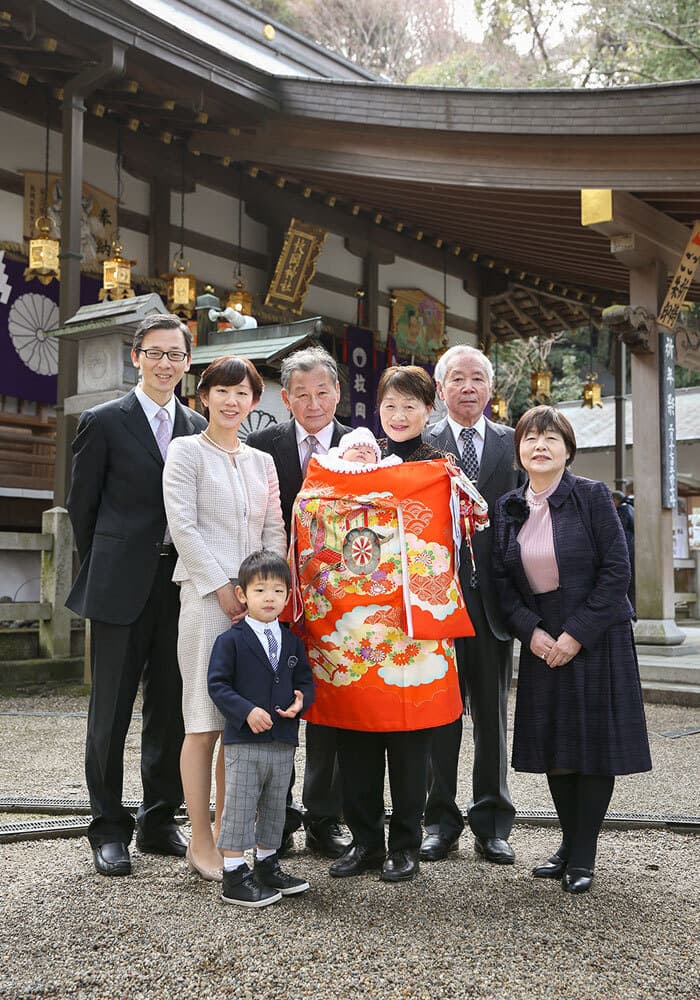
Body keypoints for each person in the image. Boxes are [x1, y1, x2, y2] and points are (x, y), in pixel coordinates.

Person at [293, 365, 487, 883]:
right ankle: (364, 842)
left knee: (409, 741)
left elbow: (463, 531)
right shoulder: (358, 459)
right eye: (390, 407)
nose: (398, 416)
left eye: (410, 407)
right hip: (352, 630)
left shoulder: (439, 469)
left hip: (411, 631)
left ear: (431, 409)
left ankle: (405, 842)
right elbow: (314, 509)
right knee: (354, 737)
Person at [66, 314, 206, 877]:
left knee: (171, 705)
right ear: (136, 357)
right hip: (120, 581)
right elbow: (82, 508)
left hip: (181, 581)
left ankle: (157, 818)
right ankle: (106, 828)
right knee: (111, 710)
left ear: (187, 361)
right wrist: (106, 564)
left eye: (175, 354)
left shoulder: (198, 424)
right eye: (155, 353)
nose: (166, 363)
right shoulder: (103, 421)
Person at [493, 406, 651, 894]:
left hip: (596, 634)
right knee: (557, 746)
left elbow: (617, 571)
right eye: (531, 438)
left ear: (567, 449)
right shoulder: (507, 505)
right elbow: (501, 583)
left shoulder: (591, 495)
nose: (540, 445)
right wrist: (532, 632)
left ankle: (584, 853)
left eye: (551, 438)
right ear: (519, 450)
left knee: (593, 747)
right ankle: (568, 842)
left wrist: (576, 633)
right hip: (543, 634)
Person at [163, 356, 286, 882]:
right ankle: (201, 838)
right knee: (203, 719)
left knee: (239, 724)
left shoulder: (262, 462)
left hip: (256, 609)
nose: (232, 401)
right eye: (223, 391)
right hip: (205, 600)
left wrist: (264, 592)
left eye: (243, 393)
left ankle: (233, 835)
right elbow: (183, 526)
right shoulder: (186, 450)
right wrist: (222, 588)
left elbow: (275, 531)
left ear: (254, 402)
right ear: (204, 395)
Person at [247, 346, 352, 859]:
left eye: (323, 392)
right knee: (277, 700)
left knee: (328, 708)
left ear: (338, 393)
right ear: (285, 398)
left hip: (339, 600)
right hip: (279, 596)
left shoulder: (362, 446)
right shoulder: (262, 445)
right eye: (302, 394)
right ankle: (277, 816)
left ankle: (325, 817)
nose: (313, 403)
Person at [423, 344, 522, 866]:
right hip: (435, 601)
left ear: (490, 388)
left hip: (493, 603)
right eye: (457, 379)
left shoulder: (514, 443)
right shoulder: (421, 440)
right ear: (440, 389)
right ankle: (439, 820)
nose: (468, 387)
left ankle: (492, 821)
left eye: (477, 379)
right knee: (440, 714)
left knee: (490, 715)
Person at [207, 551, 315, 908]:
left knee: (274, 805)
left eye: (278, 591)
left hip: (283, 739)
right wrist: (246, 711)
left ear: (287, 596)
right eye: (260, 590)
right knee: (239, 804)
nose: (270, 598)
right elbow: (219, 685)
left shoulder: (292, 641)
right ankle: (234, 872)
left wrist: (302, 701)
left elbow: (304, 681)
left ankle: (268, 864)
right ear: (242, 595)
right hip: (245, 740)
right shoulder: (231, 641)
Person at [323, 426, 402, 470]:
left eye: (369, 452)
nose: (362, 452)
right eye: (356, 448)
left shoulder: (377, 469)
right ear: (341, 454)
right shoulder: (333, 464)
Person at [612, 489, 635, 607]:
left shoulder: (622, 510)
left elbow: (618, 531)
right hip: (633, 548)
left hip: (627, 549)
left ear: (615, 500)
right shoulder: (632, 508)